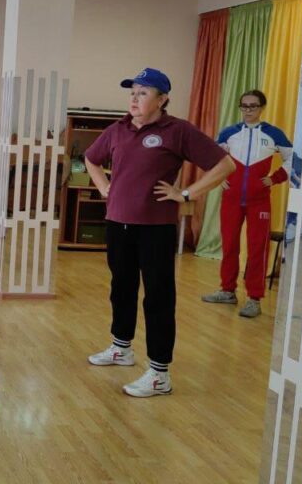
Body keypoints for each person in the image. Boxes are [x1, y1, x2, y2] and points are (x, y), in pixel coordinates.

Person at [84, 68, 235, 398]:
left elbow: (225, 165)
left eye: (142, 93)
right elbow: (91, 158)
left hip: (156, 229)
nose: (134, 99)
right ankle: (121, 347)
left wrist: (187, 194)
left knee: (158, 297)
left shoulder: (177, 130)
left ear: (162, 99)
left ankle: (159, 373)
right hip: (118, 223)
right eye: (132, 92)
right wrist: (105, 187)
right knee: (121, 288)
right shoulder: (118, 129)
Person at [202, 90, 293, 318]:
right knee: (229, 245)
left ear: (262, 107)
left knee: (257, 248)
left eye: (253, 106)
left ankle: (254, 298)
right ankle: (227, 290)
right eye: (244, 106)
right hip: (231, 200)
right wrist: (219, 178)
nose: (248, 110)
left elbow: (294, 159)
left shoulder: (274, 134)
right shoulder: (229, 133)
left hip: (259, 201)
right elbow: (210, 156)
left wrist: (275, 178)